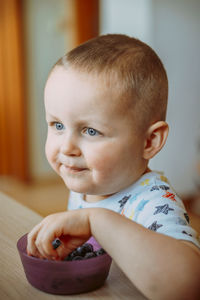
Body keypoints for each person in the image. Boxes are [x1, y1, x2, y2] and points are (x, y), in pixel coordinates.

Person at [27, 34, 200, 299]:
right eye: (58, 125)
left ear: (149, 141)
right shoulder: (90, 182)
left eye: (91, 131)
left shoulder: (152, 202)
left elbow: (188, 285)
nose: (66, 148)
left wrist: (96, 220)